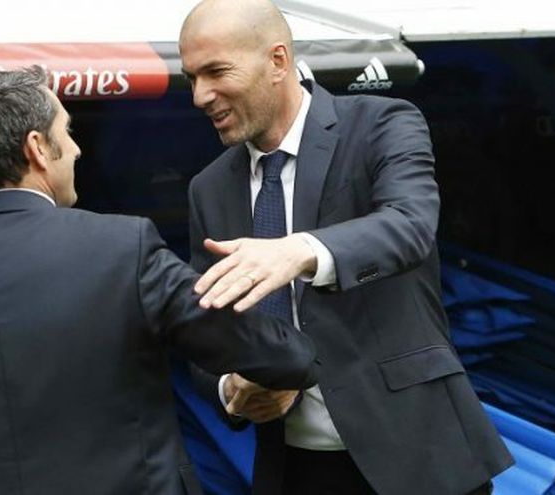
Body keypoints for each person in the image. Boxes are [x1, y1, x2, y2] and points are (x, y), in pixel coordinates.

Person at [0, 67, 320, 495]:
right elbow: (258, 348)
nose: (76, 148)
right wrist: (296, 345)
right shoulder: (122, 248)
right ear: (37, 148)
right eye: (66, 131)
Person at [178, 1, 514, 494]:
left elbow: (410, 226)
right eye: (191, 78)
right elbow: (203, 332)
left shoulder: (382, 123)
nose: (200, 96)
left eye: (216, 71)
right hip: (296, 469)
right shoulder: (208, 189)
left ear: (277, 61)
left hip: (419, 455)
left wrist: (299, 251)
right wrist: (233, 388)